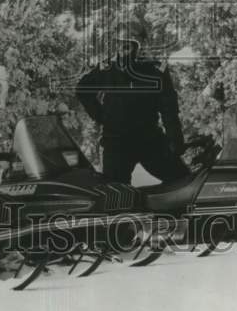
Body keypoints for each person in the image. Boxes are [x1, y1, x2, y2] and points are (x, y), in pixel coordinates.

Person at [75, 17, 188, 185]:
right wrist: (102, 116)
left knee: (183, 181)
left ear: (138, 45)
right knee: (115, 193)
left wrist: (175, 139)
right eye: (118, 44)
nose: (121, 49)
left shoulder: (155, 70)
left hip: (150, 140)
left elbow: (169, 109)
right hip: (116, 143)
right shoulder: (108, 68)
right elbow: (83, 89)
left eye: (127, 45)